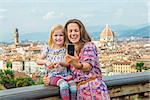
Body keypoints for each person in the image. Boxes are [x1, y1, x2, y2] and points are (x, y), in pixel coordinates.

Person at [62, 19, 110, 100]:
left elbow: (88, 66)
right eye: (70, 31)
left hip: (93, 89)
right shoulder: (70, 50)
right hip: (81, 91)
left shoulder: (88, 46)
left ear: (81, 32)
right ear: (67, 34)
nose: (73, 33)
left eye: (76, 31)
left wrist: (77, 64)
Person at [37, 24, 76, 100]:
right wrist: (46, 62)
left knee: (74, 87)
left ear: (65, 36)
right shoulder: (48, 48)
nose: (58, 38)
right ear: (52, 37)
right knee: (64, 85)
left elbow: (68, 63)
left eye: (61, 35)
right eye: (56, 35)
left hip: (66, 75)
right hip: (52, 76)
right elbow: (38, 60)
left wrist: (60, 63)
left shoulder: (67, 48)